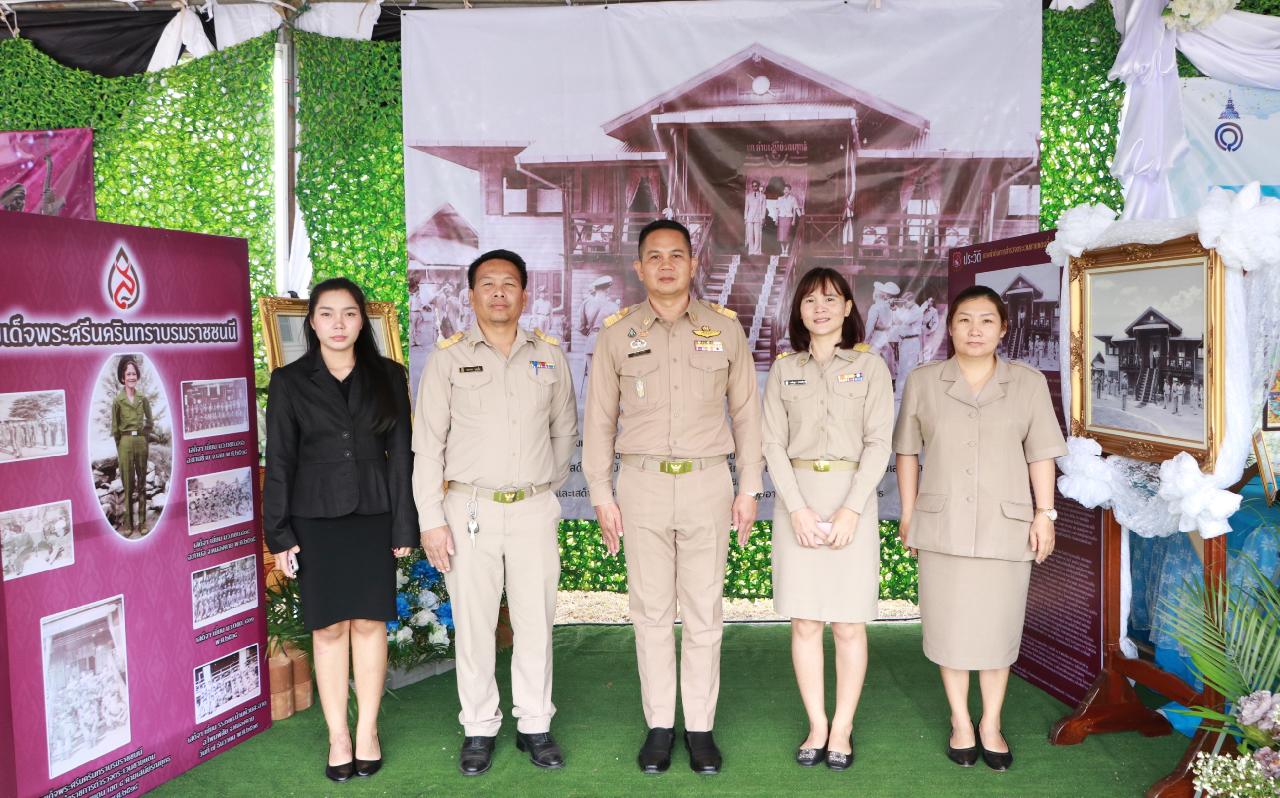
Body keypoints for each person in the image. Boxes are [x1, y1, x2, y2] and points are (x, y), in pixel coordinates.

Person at [583, 218, 764, 776]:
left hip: (709, 481)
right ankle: (660, 724)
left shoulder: (724, 329)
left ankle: (700, 727)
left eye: (677, 255)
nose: (666, 265)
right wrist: (601, 493)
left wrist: (749, 487)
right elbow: (599, 420)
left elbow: (746, 414)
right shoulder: (617, 334)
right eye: (655, 256)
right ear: (639, 268)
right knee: (651, 612)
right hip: (641, 484)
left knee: (706, 611)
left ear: (693, 264)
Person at [414, 249, 578, 776]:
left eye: (509, 283)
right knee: (475, 623)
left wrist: (542, 487)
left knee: (536, 621)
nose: (499, 292)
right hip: (469, 507)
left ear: (525, 294)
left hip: (532, 508)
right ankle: (479, 726)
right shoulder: (447, 359)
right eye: (488, 284)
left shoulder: (548, 356)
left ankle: (535, 723)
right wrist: (431, 519)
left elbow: (564, 431)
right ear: (472, 295)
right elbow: (427, 446)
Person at [893, 284, 1067, 772]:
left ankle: (990, 723)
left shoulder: (1028, 383)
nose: (975, 330)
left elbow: (1041, 453)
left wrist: (1045, 513)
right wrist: (908, 513)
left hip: (1005, 527)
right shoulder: (924, 381)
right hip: (941, 525)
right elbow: (906, 452)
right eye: (965, 320)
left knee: (996, 631)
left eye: (986, 320)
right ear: (949, 327)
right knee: (949, 629)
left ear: (1003, 328)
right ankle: (960, 721)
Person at [263, 277, 417, 783]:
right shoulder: (289, 381)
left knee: (371, 624)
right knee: (328, 628)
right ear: (311, 322)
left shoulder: (389, 375)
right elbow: (279, 460)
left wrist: (404, 525)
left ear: (361, 320)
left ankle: (367, 730)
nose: (338, 324)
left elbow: (401, 458)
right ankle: (338, 736)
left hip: (374, 515)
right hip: (315, 519)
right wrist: (279, 534)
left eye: (349, 313)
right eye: (327, 314)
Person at [762, 267, 893, 771]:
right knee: (805, 621)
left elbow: (879, 443)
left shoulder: (870, 367)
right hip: (796, 497)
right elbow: (772, 443)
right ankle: (817, 723)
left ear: (847, 309)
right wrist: (796, 508)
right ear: (798, 310)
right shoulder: (783, 370)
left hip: (851, 498)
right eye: (810, 300)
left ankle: (842, 726)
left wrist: (851, 508)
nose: (820, 308)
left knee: (849, 624)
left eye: (831, 299)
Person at [111, 356, 153, 537]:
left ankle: (142, 522)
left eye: (134, 374)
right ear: (123, 377)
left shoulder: (143, 398)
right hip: (125, 443)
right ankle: (128, 523)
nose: (131, 377)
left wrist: (144, 437)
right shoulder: (117, 400)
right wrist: (121, 447)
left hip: (140, 442)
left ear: (137, 376)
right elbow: (115, 429)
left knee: (142, 484)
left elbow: (150, 422)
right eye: (128, 374)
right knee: (128, 485)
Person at [577, 275, 619, 394]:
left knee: (592, 376)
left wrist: (590, 334)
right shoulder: (613, 306)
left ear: (595, 289)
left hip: (591, 342)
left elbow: (580, 327)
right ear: (607, 289)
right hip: (607, 344)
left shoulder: (586, 304)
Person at [864, 281, 899, 380]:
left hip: (876, 338)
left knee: (870, 364)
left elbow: (870, 326)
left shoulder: (875, 307)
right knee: (888, 361)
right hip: (886, 337)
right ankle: (891, 379)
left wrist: (866, 341)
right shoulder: (889, 307)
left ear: (876, 294)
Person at [775, 183, 802, 257]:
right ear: (783, 190)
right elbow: (777, 210)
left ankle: (786, 250)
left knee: (788, 235)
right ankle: (782, 251)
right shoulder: (780, 199)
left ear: (790, 191)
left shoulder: (793, 199)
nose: (786, 191)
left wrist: (796, 218)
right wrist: (776, 219)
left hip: (789, 218)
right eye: (785, 189)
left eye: (787, 189)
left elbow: (795, 209)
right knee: (781, 235)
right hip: (781, 218)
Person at [744, 180, 767, 256]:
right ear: (752, 187)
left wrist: (763, 218)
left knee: (757, 235)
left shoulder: (762, 196)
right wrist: (745, 218)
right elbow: (746, 208)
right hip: (750, 217)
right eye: (753, 186)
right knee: (750, 235)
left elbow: (763, 208)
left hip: (758, 218)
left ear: (758, 186)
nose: (754, 187)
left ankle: (756, 251)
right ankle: (751, 251)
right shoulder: (748, 196)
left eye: (756, 186)